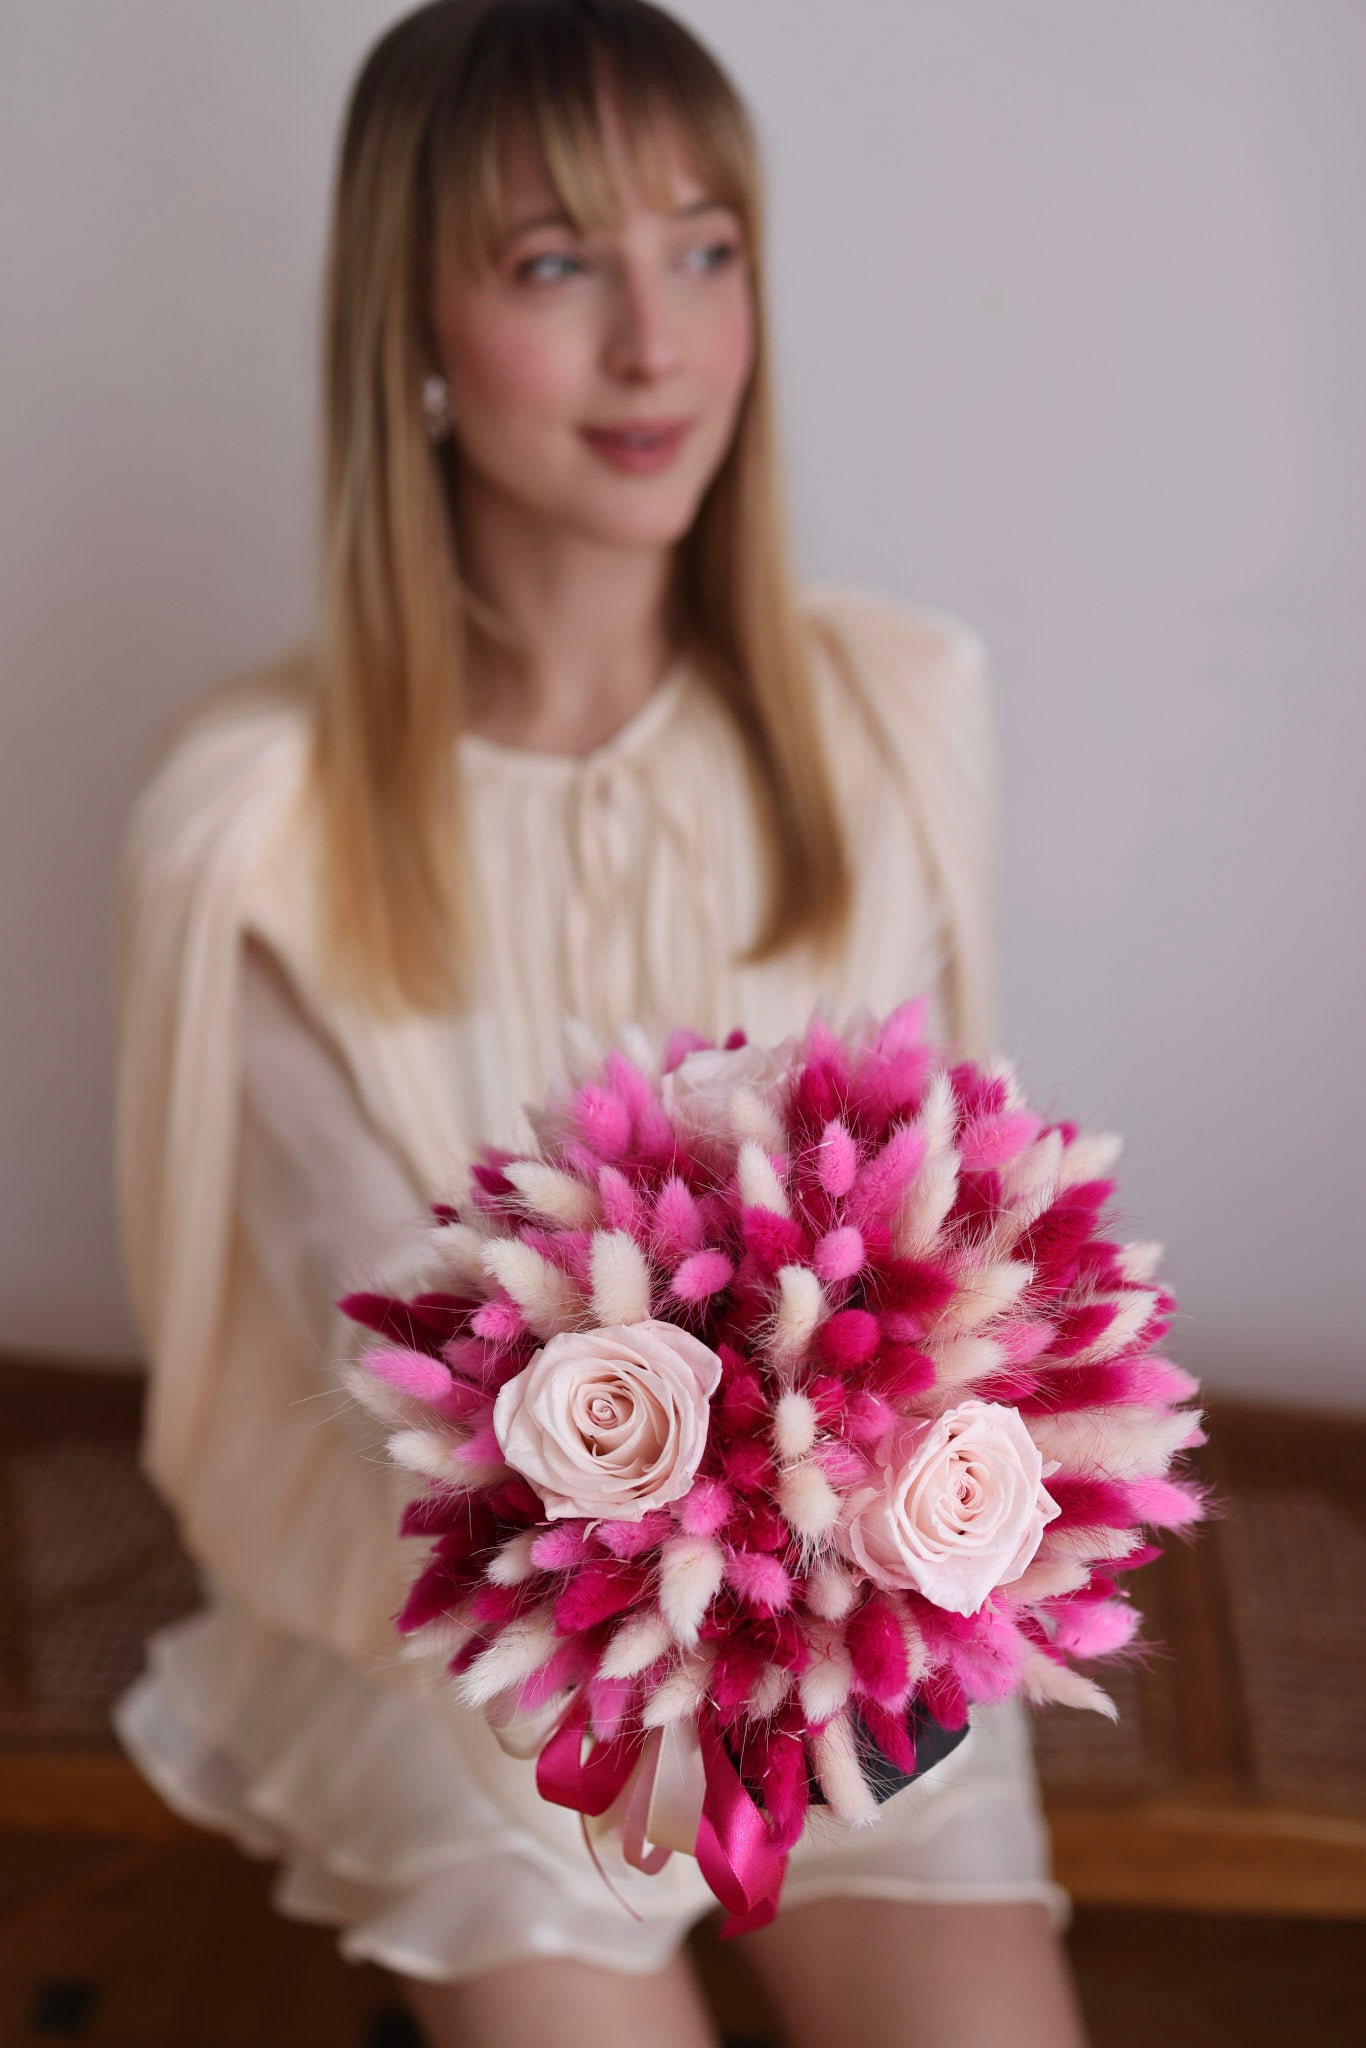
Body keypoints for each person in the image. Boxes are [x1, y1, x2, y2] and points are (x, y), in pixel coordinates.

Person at [110, 3, 1088, 2043]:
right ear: (418, 328)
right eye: (557, 263)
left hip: (856, 1623)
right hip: (454, 1647)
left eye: (701, 246)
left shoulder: (895, 716)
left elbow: (963, 1247)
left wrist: (879, 1543)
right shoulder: (260, 825)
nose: (659, 342)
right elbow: (382, 1359)